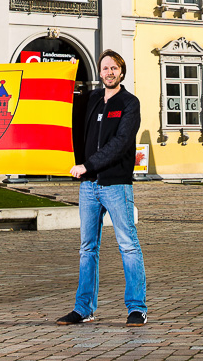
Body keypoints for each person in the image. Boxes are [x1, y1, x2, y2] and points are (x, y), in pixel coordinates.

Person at [58, 50, 148, 326]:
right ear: (99, 72)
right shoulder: (91, 99)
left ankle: (137, 308)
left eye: (114, 68)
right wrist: (63, 79)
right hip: (88, 187)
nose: (109, 72)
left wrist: (89, 164)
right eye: (105, 68)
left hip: (115, 184)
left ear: (121, 72)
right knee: (87, 248)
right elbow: (64, 117)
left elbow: (121, 142)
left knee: (128, 246)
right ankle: (83, 309)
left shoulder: (129, 103)